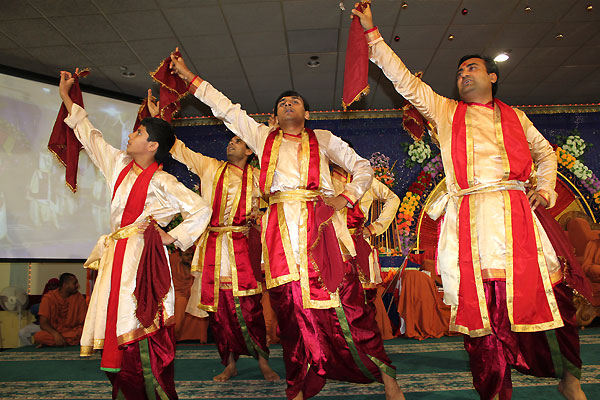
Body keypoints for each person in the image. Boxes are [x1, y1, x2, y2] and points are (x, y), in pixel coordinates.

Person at [352, 4, 586, 400]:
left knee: (557, 299)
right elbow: (404, 81)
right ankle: (495, 392)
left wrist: (545, 190)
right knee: (483, 320)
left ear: (492, 77)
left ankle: (571, 379)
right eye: (459, 71)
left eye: (472, 68)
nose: (463, 74)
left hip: (519, 219)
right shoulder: (446, 111)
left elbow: (546, 154)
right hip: (471, 225)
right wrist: (373, 34)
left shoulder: (517, 117)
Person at [169, 50, 405, 400]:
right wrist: (190, 77)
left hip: (322, 231)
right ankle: (299, 385)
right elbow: (226, 109)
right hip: (279, 236)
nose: (288, 104)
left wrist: (346, 197)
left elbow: (363, 167)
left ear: (306, 113)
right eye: (282, 103)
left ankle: (386, 376)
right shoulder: (262, 138)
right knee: (291, 313)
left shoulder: (323, 139)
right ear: (275, 116)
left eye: (294, 101)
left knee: (348, 306)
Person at [57, 69, 211, 400]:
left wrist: (171, 237)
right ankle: (125, 390)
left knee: (139, 326)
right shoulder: (118, 164)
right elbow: (90, 136)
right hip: (116, 257)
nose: (131, 134)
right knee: (115, 324)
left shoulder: (164, 181)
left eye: (139, 132)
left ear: (152, 146)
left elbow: (201, 210)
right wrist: (67, 98)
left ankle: (148, 389)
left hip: (143, 259)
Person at [147, 92, 279, 383]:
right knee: (219, 314)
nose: (231, 143)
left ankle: (263, 362)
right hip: (213, 249)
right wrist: (158, 121)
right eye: (231, 140)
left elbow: (275, 197)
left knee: (251, 310)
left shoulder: (259, 177)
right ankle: (229, 364)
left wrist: (271, 137)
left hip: (244, 250)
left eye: (238, 141)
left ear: (250, 151)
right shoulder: (210, 167)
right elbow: (178, 149)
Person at [331, 159, 400, 337]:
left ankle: (364, 339)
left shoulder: (364, 180)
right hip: (331, 244)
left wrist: (375, 228)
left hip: (357, 243)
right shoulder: (323, 179)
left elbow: (393, 199)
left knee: (363, 296)